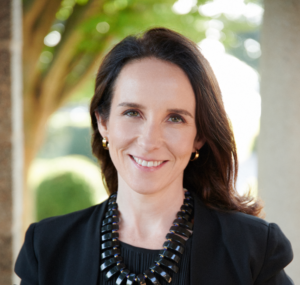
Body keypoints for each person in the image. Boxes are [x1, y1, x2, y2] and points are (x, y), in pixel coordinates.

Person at [15, 27, 294, 285]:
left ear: (200, 136)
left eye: (175, 118)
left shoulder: (255, 250)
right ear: (103, 122)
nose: (149, 141)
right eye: (132, 113)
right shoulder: (46, 248)